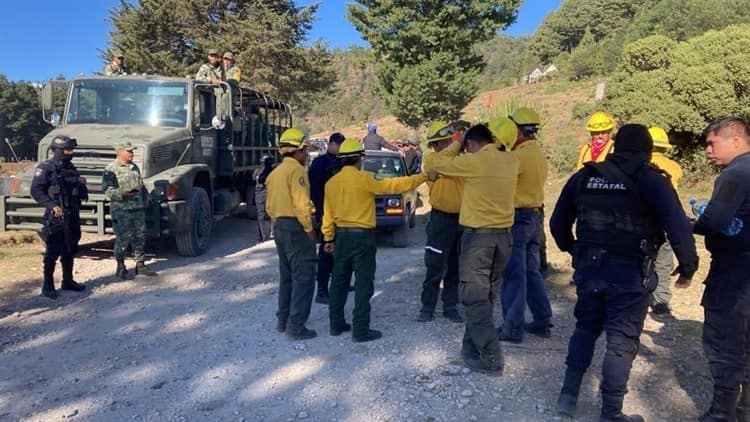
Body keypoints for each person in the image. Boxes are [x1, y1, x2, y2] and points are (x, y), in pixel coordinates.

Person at [549, 124, 698, 421]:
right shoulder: (654, 181)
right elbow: (678, 226)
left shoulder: (585, 176)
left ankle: (568, 397)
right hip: (630, 274)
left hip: (590, 269)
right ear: (646, 151)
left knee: (586, 328)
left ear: (616, 147)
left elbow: (557, 224)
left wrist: (575, 250)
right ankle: (611, 412)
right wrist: (688, 266)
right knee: (621, 339)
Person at [429, 124, 519, 376]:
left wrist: (458, 143)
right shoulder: (511, 160)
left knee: (473, 297)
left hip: (479, 240)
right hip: (503, 239)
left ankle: (492, 358)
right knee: (484, 295)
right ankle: (470, 348)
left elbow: (438, 161)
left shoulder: (474, 162)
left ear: (471, 144)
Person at [322, 139, 428, 342]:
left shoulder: (331, 183)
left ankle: (336, 325)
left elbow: (328, 215)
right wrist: (422, 177)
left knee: (338, 282)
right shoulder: (365, 179)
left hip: (341, 236)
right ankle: (360, 330)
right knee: (363, 283)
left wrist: (328, 238)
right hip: (362, 237)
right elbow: (393, 185)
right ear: (358, 158)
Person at [692, 116, 750, 421]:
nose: (707, 150)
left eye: (713, 143)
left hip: (734, 273)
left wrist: (693, 224)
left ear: (736, 140)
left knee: (725, 342)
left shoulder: (735, 173)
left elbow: (714, 221)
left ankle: (721, 413)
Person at [494, 108, 553, 343]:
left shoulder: (517, 157)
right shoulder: (538, 154)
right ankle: (542, 320)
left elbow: (499, 182)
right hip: (535, 217)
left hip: (517, 219)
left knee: (513, 275)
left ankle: (512, 328)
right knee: (532, 272)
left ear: (518, 130)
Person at [266, 128, 318, 340]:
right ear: (296, 151)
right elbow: (302, 205)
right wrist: (309, 230)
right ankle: (296, 326)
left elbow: (269, 207)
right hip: (295, 227)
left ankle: (283, 319)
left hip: (278, 225)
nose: (306, 154)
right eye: (304, 150)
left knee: (286, 275)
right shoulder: (297, 171)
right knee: (304, 276)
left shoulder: (275, 173)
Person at [417, 121, 464, 323]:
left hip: (461, 220)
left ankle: (450, 306)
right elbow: (443, 163)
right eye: (446, 141)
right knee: (435, 265)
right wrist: (460, 141)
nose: (449, 143)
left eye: (450, 140)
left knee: (455, 266)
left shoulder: (460, 160)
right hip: (440, 220)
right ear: (436, 144)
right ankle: (427, 308)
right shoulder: (433, 160)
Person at [31, 136, 88, 299]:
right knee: (53, 250)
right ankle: (47, 285)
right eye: (67, 150)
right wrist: (52, 206)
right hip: (55, 215)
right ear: (58, 150)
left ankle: (68, 280)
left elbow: (77, 191)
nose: (71, 152)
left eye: (71, 149)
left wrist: (81, 183)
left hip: (72, 213)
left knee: (70, 246)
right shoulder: (46, 168)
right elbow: (36, 191)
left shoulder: (70, 168)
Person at [102, 141, 157, 279]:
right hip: (121, 210)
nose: (132, 153)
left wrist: (147, 197)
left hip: (137, 208)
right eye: (129, 151)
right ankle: (120, 266)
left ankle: (140, 265)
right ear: (120, 152)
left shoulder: (134, 167)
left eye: (132, 151)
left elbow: (141, 185)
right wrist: (122, 193)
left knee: (139, 237)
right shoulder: (111, 169)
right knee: (122, 239)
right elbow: (107, 191)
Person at [647, 126, 683, 316]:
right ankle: (660, 300)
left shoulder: (642, 165)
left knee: (641, 258)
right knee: (663, 260)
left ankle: (639, 295)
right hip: (667, 218)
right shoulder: (674, 167)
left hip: (645, 218)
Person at [308, 132, 345, 304]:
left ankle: (338, 283)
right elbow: (314, 190)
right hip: (326, 213)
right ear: (330, 144)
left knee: (340, 252)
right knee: (326, 252)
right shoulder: (319, 163)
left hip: (342, 213)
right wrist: (321, 213)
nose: (340, 148)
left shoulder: (343, 162)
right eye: (338, 145)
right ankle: (322, 290)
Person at [253, 155, 275, 242]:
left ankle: (262, 236)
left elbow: (254, 179)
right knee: (271, 214)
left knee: (260, 215)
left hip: (259, 194)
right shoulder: (272, 171)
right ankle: (272, 233)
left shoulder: (257, 171)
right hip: (269, 193)